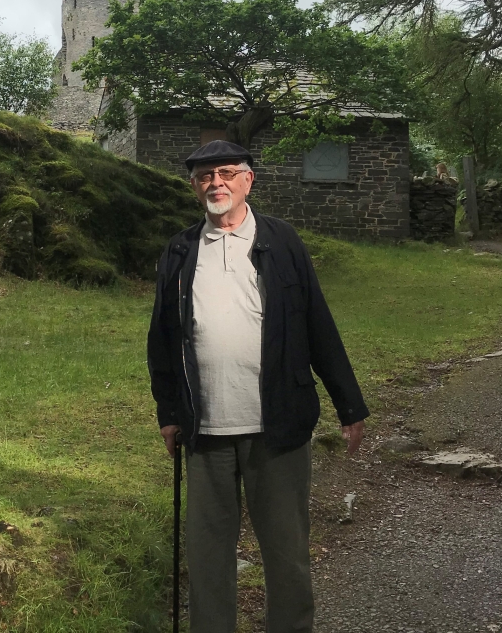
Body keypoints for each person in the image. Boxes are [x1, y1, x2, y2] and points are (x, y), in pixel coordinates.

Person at [147, 140, 368, 633]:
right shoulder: (180, 249)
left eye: (226, 173)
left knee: (287, 553)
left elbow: (317, 323)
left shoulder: (281, 240)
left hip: (278, 426)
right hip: (205, 429)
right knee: (207, 557)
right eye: (205, 176)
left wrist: (348, 403)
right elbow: (161, 338)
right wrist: (168, 412)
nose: (216, 183)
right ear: (194, 187)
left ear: (248, 180)